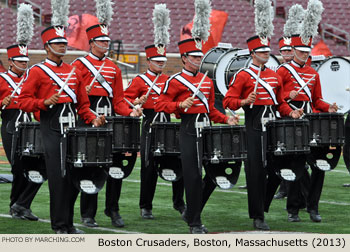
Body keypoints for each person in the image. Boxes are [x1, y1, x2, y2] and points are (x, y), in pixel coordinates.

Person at [18, 25, 105, 234]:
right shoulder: (37, 71)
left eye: (64, 43)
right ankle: (59, 225)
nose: (63, 46)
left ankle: (69, 223)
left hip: (72, 129)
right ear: (47, 47)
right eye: (58, 43)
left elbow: (83, 105)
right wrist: (44, 102)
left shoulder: (73, 71)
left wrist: (93, 118)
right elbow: (23, 101)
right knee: (58, 178)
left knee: (72, 176)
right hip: (51, 127)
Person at [155, 37, 238, 234]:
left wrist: (226, 120)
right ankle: (195, 223)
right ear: (184, 58)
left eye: (200, 56)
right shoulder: (174, 81)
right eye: (194, 56)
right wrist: (179, 106)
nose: (198, 59)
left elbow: (211, 110)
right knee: (192, 177)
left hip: (207, 130)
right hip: (188, 129)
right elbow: (159, 104)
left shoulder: (207, 81)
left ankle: (192, 212)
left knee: (213, 175)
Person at [223, 34, 303, 230]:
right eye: (262, 51)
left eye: (267, 51)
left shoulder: (275, 76)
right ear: (252, 54)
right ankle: (257, 216)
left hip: (273, 127)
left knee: (279, 169)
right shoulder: (242, 75)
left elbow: (280, 103)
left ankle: (263, 205)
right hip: (254, 126)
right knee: (256, 173)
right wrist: (244, 102)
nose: (266, 54)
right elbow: (228, 101)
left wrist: (291, 112)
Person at [72, 23, 142, 228]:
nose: (105, 44)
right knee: (90, 168)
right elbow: (74, 99)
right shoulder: (79, 65)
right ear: (92, 43)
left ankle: (113, 209)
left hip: (110, 122)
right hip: (87, 120)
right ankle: (88, 213)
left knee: (115, 167)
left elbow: (119, 101)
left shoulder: (114, 67)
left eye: (107, 41)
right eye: (102, 41)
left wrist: (131, 112)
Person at [276, 33, 338, 223]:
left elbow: (316, 100)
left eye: (306, 52)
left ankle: (313, 207)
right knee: (296, 166)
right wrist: (288, 96)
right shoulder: (283, 71)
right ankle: (293, 209)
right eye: (300, 51)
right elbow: (277, 100)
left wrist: (329, 107)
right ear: (293, 50)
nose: (304, 55)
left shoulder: (313, 73)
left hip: (312, 123)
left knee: (319, 166)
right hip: (292, 124)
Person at [124, 43, 185, 219]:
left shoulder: (169, 80)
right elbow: (125, 100)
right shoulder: (139, 80)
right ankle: (146, 206)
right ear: (149, 61)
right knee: (148, 166)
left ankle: (179, 202)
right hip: (149, 124)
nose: (160, 64)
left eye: (162, 61)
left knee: (177, 162)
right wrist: (137, 102)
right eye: (157, 61)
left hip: (168, 125)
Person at [0, 43, 43, 221]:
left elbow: (36, 106)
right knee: (18, 168)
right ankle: (16, 205)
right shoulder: (2, 79)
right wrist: (3, 101)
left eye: (26, 61)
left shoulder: (29, 79)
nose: (24, 64)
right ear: (11, 61)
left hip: (30, 127)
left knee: (37, 168)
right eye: (20, 61)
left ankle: (22, 204)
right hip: (11, 126)